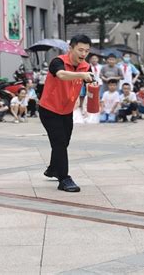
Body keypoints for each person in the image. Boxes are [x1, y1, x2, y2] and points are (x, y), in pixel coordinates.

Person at [39, 34, 94, 192]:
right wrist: (82, 76)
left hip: (67, 110)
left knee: (64, 142)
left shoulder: (85, 66)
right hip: (49, 109)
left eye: (87, 51)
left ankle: (53, 168)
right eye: (80, 50)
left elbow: (85, 85)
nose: (83, 54)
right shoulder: (58, 62)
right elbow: (61, 75)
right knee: (59, 143)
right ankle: (64, 178)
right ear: (71, 49)